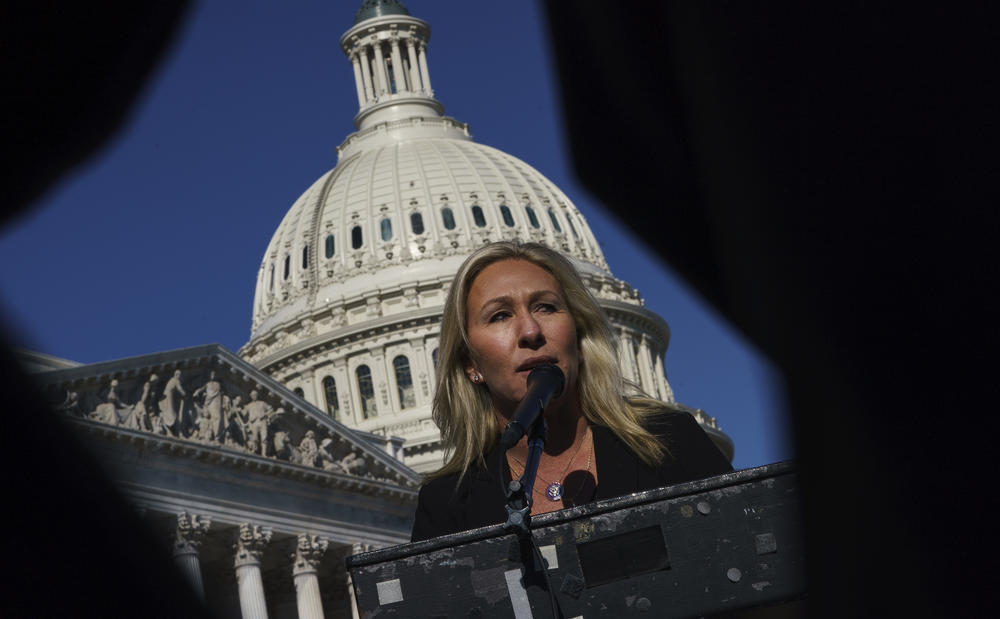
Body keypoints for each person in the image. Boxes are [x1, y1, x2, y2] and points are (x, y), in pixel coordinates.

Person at [411, 241, 732, 542]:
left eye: (546, 307)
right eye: (500, 316)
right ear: (471, 364)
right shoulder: (447, 505)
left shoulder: (670, 444)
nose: (531, 331)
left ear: (578, 340)